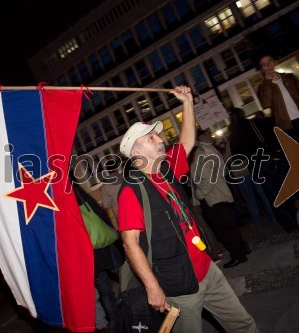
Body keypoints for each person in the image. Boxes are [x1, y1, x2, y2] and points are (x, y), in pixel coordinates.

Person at [117, 85, 258, 333]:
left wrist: (187, 102)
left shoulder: (167, 170)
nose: (160, 140)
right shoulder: (132, 191)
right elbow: (130, 243)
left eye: (158, 136)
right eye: (152, 138)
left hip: (208, 269)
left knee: (243, 324)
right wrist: (152, 287)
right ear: (136, 152)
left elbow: (187, 141)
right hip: (180, 286)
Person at [191, 128, 253, 268]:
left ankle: (238, 255)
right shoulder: (210, 149)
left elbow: (209, 179)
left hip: (211, 197)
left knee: (223, 229)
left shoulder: (203, 152)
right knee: (229, 226)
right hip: (218, 193)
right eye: (206, 133)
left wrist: (200, 194)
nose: (209, 135)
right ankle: (242, 249)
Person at [72, 181, 124, 331]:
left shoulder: (59, 206)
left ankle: (115, 322)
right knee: (125, 278)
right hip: (103, 247)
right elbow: (100, 214)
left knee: (104, 291)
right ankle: (130, 311)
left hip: (87, 256)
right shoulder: (77, 193)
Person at [257, 53, 299, 164]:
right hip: (287, 125)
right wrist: (268, 83)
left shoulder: (290, 77)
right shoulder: (263, 87)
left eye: (269, 61)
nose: (268, 65)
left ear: (274, 62)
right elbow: (266, 103)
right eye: (264, 64)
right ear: (262, 69)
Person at [227, 107, 277, 226]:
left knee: (249, 197)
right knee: (263, 193)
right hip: (256, 162)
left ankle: (256, 220)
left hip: (242, 166)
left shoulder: (231, 130)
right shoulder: (250, 123)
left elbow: (234, 151)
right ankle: (272, 215)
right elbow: (260, 138)